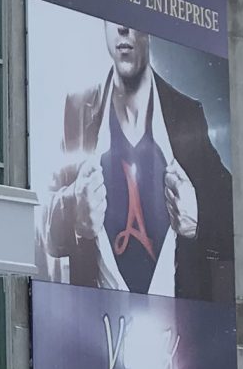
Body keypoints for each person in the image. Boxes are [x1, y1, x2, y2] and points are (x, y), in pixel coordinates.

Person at [37, 23, 233, 301]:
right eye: (112, 19)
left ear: (150, 31)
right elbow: (41, 230)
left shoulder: (187, 115)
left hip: (179, 329)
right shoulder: (77, 110)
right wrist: (72, 211)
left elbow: (237, 228)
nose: (122, 28)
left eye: (133, 19)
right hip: (98, 326)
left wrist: (199, 217)